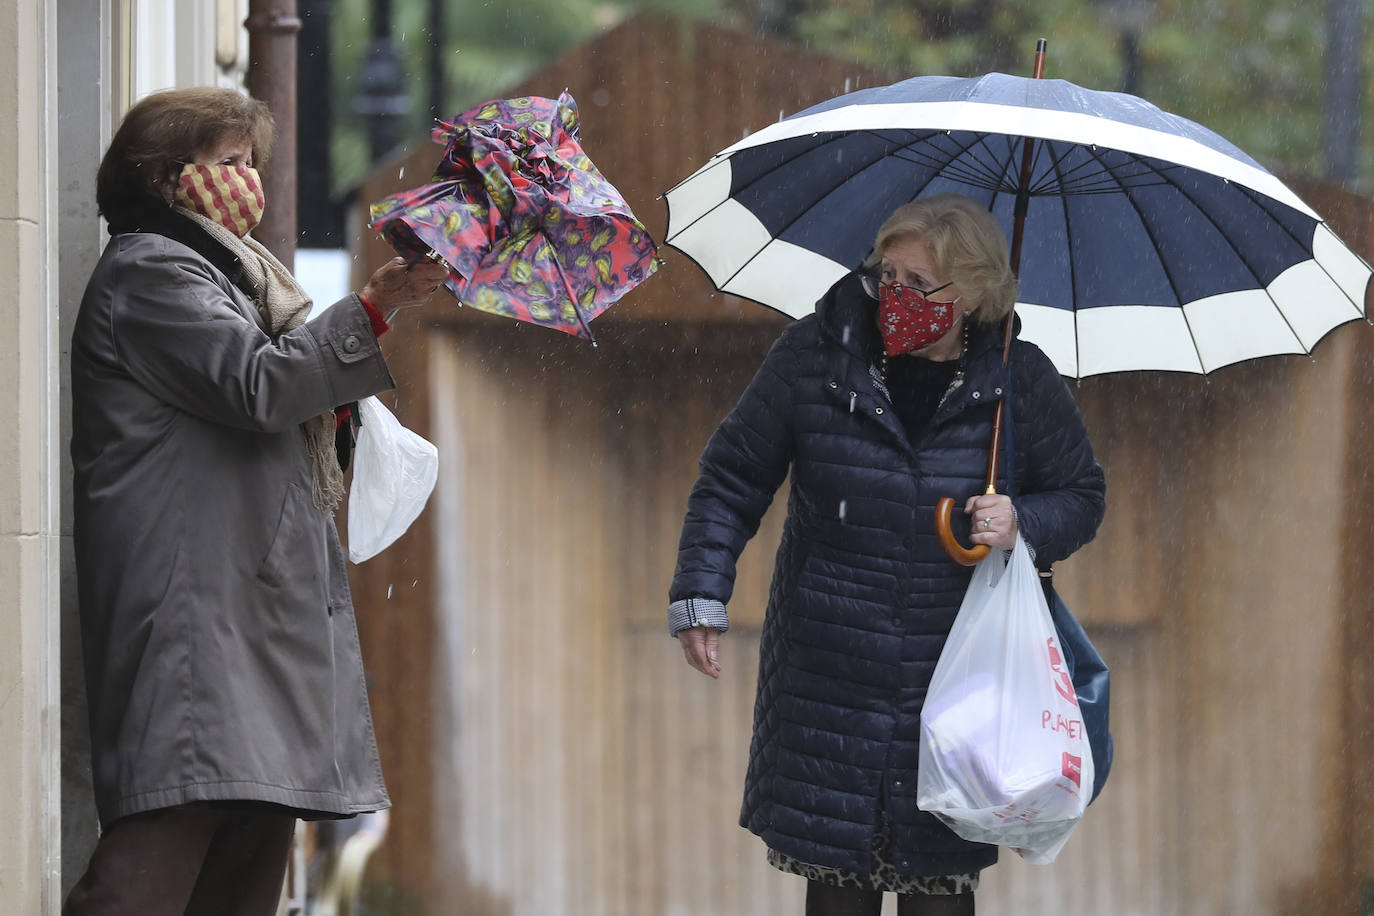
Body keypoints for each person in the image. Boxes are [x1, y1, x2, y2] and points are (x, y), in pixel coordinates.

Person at [65, 87, 449, 916]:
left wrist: (353, 376)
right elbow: (258, 386)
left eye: (253, 163)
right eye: (230, 162)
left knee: (242, 863)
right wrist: (373, 308)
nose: (251, 181)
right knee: (148, 873)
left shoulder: (227, 276)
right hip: (195, 622)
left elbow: (271, 410)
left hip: (244, 617)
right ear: (167, 176)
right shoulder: (152, 271)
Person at [668, 193, 1106, 916]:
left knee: (939, 895)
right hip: (829, 676)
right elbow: (733, 475)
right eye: (887, 276)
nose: (895, 297)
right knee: (837, 889)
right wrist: (700, 594)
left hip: (956, 686)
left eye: (919, 284)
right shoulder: (817, 355)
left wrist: (1022, 519)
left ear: (970, 294)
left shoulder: (1016, 379)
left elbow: (1082, 495)